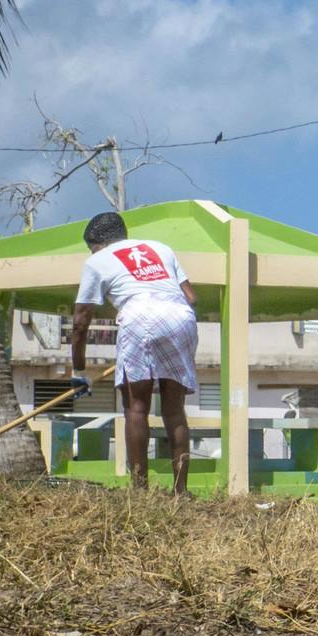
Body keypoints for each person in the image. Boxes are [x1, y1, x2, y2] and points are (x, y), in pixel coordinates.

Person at [69, 211, 199, 495]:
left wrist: (78, 370)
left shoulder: (97, 261)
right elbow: (191, 297)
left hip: (139, 315)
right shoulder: (160, 248)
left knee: (136, 408)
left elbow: (80, 321)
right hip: (181, 316)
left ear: (97, 243)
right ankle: (181, 492)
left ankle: (139, 491)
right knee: (174, 409)